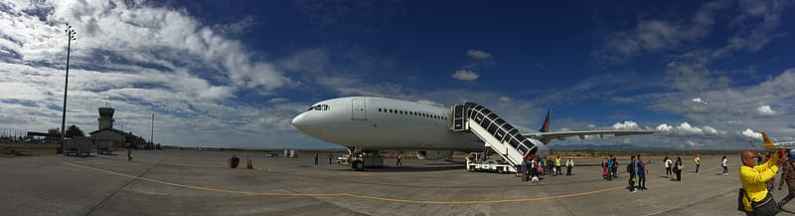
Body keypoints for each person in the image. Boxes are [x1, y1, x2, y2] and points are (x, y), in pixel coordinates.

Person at [739, 150, 782, 215]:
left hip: (762, 201)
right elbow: (760, 178)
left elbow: (766, 165)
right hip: (755, 203)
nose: (755, 160)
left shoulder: (752, 168)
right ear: (745, 160)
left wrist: (777, 154)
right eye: (752, 158)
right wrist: (776, 167)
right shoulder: (744, 171)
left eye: (755, 158)